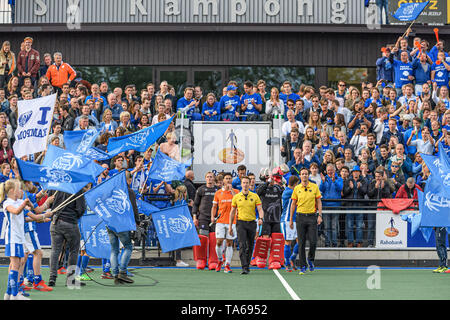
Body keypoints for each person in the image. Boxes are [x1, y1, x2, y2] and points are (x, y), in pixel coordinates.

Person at [47, 189, 87, 287]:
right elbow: (81, 209)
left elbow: (50, 204)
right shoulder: (77, 188)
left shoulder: (55, 187)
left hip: (55, 222)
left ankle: (52, 278)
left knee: (55, 250)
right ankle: (71, 279)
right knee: (74, 251)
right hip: (70, 222)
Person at [289, 167, 323, 275]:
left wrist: (320, 215)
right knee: (301, 242)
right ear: (300, 176)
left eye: (306, 174)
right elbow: (293, 204)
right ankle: (302, 266)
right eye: (302, 174)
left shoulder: (314, 187)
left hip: (312, 216)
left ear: (308, 175)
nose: (304, 176)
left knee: (313, 241)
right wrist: (291, 219)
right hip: (300, 217)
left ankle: (310, 259)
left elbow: (318, 201)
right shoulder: (297, 188)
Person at [107, 171, 139, 284]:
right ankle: (123, 272)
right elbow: (134, 209)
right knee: (128, 246)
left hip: (110, 222)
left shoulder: (111, 190)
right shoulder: (129, 191)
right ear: (129, 180)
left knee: (114, 250)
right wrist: (137, 222)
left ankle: (115, 274)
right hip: (122, 223)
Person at [228, 176, 264, 275]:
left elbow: (260, 209)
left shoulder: (254, 196)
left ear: (249, 184)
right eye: (243, 183)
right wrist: (230, 226)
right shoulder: (236, 197)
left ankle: (247, 265)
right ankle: (244, 267)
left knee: (250, 245)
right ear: (241, 184)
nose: (245, 184)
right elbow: (232, 212)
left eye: (247, 183)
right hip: (241, 223)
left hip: (252, 223)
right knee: (242, 245)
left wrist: (261, 218)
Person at [254, 168, 285, 269]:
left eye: (273, 179)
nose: (272, 180)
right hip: (266, 218)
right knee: (265, 240)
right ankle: (261, 258)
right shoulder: (262, 188)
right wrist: (267, 182)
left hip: (276, 218)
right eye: (271, 178)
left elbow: (284, 190)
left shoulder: (277, 188)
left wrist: (281, 181)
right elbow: (257, 192)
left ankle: (274, 260)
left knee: (276, 241)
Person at [210, 172, 238, 273]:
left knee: (230, 243)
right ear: (223, 181)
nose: (228, 180)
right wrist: (212, 216)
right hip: (220, 221)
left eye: (230, 178)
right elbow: (214, 206)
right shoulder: (218, 193)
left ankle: (227, 265)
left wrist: (231, 191)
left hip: (232, 221)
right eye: (226, 178)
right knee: (219, 241)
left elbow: (238, 202)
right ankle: (220, 260)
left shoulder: (236, 191)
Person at [192, 172, 219, 270]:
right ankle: (201, 260)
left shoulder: (218, 190)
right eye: (207, 177)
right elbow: (195, 205)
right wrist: (194, 218)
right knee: (202, 239)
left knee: (214, 240)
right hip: (203, 218)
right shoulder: (200, 189)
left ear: (214, 178)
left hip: (215, 219)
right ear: (205, 178)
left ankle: (213, 261)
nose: (209, 178)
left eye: (211, 177)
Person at [320, 163, 343, 247]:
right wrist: (322, 182)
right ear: (326, 171)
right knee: (326, 226)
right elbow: (321, 190)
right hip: (326, 205)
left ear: (334, 170)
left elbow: (340, 188)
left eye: (331, 170)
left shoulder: (339, 179)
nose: (330, 172)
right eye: (328, 170)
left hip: (335, 206)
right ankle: (327, 243)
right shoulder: (324, 179)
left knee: (334, 226)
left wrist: (334, 181)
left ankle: (334, 243)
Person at [281, 175, 300, 271]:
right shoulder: (289, 192)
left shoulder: (290, 191)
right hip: (287, 220)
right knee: (288, 242)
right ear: (296, 184)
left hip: (295, 219)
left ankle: (292, 258)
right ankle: (287, 263)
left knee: (300, 241)